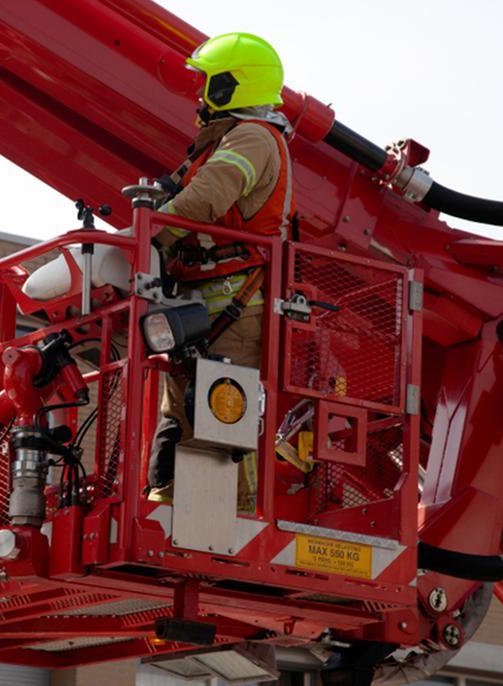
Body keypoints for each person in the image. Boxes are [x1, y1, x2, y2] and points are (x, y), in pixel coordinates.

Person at [147, 32, 296, 501]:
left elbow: (204, 200)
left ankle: (231, 524)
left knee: (220, 418)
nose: (199, 93)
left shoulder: (252, 137)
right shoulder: (227, 138)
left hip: (234, 305)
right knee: (184, 417)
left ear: (233, 86)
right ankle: (174, 510)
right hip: (201, 305)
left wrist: (148, 239)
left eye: (208, 82)